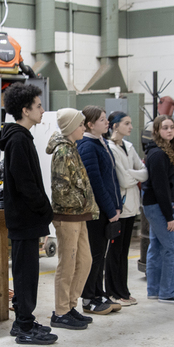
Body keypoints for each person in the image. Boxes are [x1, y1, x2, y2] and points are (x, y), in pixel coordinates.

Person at [0, 83, 62, 338]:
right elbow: (26, 184)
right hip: (24, 219)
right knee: (25, 274)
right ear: (25, 110)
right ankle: (23, 325)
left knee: (29, 273)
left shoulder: (21, 138)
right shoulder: (18, 140)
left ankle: (25, 320)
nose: (43, 110)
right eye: (38, 106)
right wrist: (45, 210)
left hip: (27, 219)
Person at [46, 108, 98, 330]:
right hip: (68, 216)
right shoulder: (62, 152)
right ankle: (61, 311)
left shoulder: (72, 148)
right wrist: (84, 202)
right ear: (70, 128)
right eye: (81, 125)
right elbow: (61, 191)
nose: (84, 128)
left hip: (79, 214)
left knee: (85, 261)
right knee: (67, 264)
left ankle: (70, 305)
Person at [77, 106, 123, 314]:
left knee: (100, 255)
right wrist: (110, 209)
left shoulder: (101, 143)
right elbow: (95, 184)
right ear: (90, 124)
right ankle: (88, 298)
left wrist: (117, 206)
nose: (107, 123)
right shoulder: (87, 146)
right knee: (93, 255)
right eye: (103, 120)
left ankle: (98, 291)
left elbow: (111, 178)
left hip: (107, 209)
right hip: (96, 211)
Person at [141, 116, 174, 304]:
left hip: (156, 206)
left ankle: (154, 290)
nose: (169, 131)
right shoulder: (158, 154)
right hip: (158, 207)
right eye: (164, 128)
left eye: (171, 127)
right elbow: (160, 188)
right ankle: (167, 292)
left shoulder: (162, 151)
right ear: (156, 131)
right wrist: (169, 216)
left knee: (158, 246)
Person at [105, 111, 148, 305]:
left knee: (124, 253)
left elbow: (145, 173)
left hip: (132, 206)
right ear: (114, 126)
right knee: (115, 252)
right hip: (118, 208)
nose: (130, 127)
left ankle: (123, 290)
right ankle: (114, 292)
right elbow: (122, 179)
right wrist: (134, 175)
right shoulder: (109, 148)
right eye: (126, 123)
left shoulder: (129, 146)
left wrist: (132, 174)